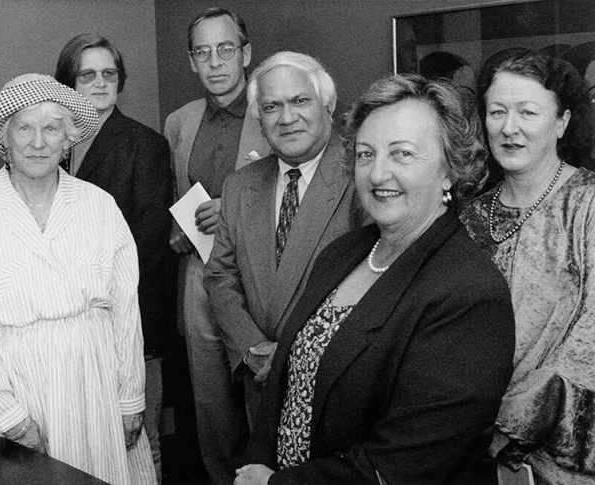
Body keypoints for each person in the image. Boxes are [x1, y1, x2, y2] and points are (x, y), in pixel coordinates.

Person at [237, 74, 516, 485]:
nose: (378, 173)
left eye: (402, 154)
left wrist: (276, 484)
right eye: (366, 155)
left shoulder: (470, 294)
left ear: (448, 171)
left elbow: (406, 464)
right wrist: (260, 463)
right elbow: (284, 380)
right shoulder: (343, 253)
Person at [0, 73, 155, 485]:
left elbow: (126, 311)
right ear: (5, 139)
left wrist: (131, 397)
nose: (38, 142)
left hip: (95, 389)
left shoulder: (99, 206)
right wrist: (11, 419)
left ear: (67, 139)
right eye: (25, 128)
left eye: (51, 128)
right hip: (15, 392)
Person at [204, 51, 364, 433]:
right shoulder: (239, 186)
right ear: (259, 118)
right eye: (272, 106)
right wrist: (252, 351)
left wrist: (295, 354)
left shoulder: (361, 175)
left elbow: (378, 285)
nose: (287, 118)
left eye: (300, 101)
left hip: (336, 386)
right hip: (260, 386)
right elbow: (220, 277)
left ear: (328, 103)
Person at [461, 48, 595, 485]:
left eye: (528, 112)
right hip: (468, 444)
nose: (509, 127)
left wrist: (519, 420)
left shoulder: (587, 202)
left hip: (560, 454)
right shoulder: (466, 218)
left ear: (562, 122)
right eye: (496, 111)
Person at [55, 33, 172, 484]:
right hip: (70, 323)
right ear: (68, 82)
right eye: (88, 74)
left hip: (130, 316)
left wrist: (86, 286)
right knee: (80, 441)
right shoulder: (53, 142)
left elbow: (149, 237)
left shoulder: (145, 144)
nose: (101, 83)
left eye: (110, 74)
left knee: (140, 441)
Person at [164, 7, 270, 484]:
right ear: (191, 61)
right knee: (208, 395)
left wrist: (234, 205)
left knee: (262, 387)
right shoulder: (179, 122)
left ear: (245, 53)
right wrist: (178, 230)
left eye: (225, 49)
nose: (215, 62)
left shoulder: (273, 110)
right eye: (202, 52)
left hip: (259, 272)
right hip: (198, 272)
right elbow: (175, 196)